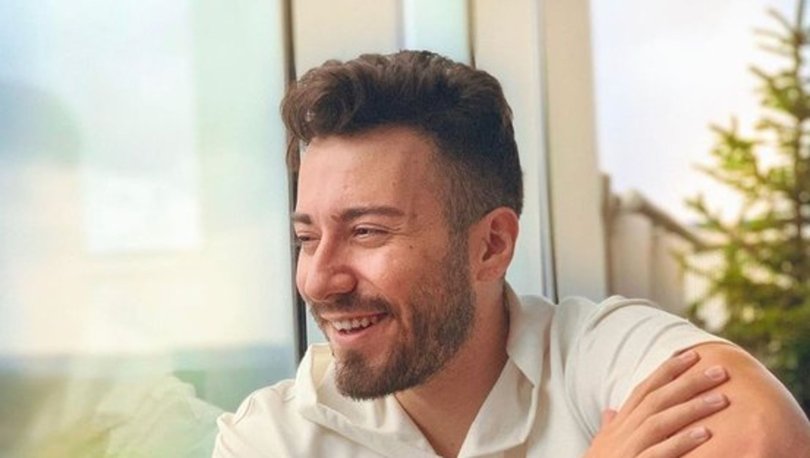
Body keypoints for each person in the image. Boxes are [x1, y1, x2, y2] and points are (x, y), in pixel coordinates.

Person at [213, 50, 810, 457]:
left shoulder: (596, 355)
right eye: (307, 239)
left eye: (367, 232)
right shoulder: (271, 438)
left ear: (491, 245)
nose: (320, 280)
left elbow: (762, 432)